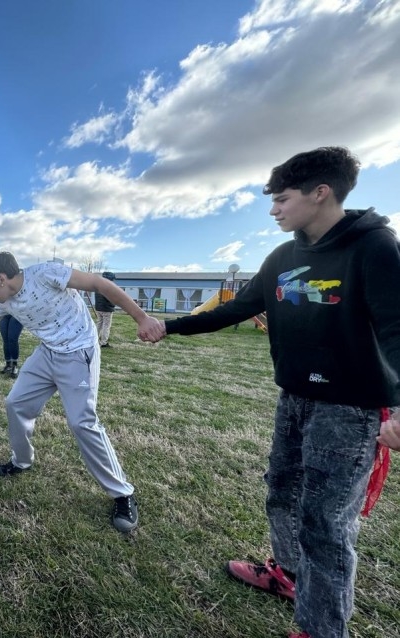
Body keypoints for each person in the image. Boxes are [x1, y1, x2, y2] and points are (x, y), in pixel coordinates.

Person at [156, 147, 400, 638]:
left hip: (349, 409)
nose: (273, 210)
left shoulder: (374, 247)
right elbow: (235, 309)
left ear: (320, 193)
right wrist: (168, 326)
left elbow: (396, 327)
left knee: (325, 523)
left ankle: (321, 629)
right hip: (293, 399)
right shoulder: (283, 257)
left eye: (282, 199)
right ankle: (288, 575)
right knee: (282, 494)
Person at [0, 251, 164, 533]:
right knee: (15, 403)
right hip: (47, 353)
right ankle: (21, 461)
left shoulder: (46, 273)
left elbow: (99, 284)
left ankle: (122, 493)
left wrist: (142, 318)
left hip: (79, 352)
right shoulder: (3, 302)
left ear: (1, 279)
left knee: (82, 422)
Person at [94, 271, 117, 347]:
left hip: (98, 308)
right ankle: (104, 342)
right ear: (110, 279)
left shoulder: (98, 286)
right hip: (107, 309)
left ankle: (94, 339)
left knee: (99, 324)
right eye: (113, 279)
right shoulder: (109, 287)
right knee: (106, 326)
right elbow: (112, 299)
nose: (113, 281)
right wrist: (113, 304)